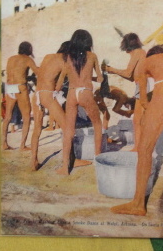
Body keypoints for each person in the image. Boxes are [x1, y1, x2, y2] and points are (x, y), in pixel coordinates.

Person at [111, 30, 163, 216]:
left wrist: (145, 100)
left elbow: (139, 73)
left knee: (145, 148)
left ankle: (138, 204)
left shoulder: (156, 58)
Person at [55, 30, 103, 175]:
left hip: (71, 93)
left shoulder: (68, 58)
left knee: (68, 130)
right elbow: (100, 79)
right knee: (97, 124)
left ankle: (65, 167)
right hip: (85, 92)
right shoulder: (92, 56)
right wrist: (96, 77)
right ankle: (98, 160)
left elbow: (60, 81)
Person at [30, 41, 70, 171]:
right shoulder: (65, 62)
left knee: (37, 129)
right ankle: (68, 162)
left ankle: (33, 161)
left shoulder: (47, 56)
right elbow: (58, 86)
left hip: (37, 95)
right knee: (67, 128)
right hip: (48, 95)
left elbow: (41, 75)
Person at [103, 33, 146, 151]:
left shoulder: (137, 52)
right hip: (141, 85)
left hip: (142, 86)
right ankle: (139, 147)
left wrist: (111, 69)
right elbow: (131, 77)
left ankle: (137, 148)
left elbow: (127, 73)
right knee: (139, 119)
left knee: (137, 120)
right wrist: (113, 72)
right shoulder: (140, 53)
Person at [1, 41, 38, 151]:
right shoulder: (27, 59)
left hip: (9, 87)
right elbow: (37, 72)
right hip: (20, 87)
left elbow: (14, 72)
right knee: (26, 117)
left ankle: (4, 144)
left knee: (7, 116)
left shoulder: (11, 58)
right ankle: (22, 145)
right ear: (29, 49)